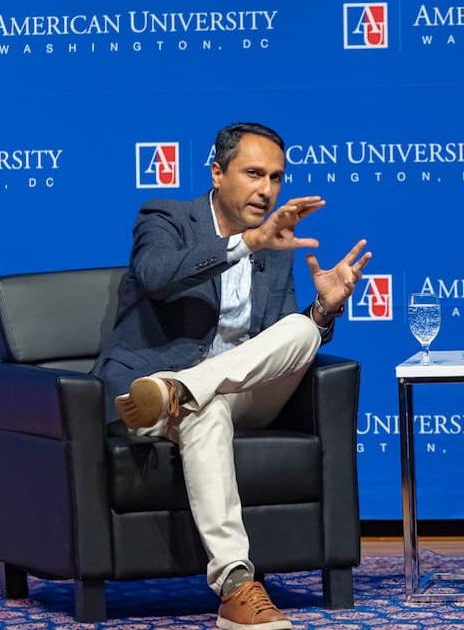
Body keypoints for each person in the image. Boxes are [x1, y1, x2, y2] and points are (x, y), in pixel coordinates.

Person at [91, 122, 371, 630]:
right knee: (208, 408)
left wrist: (324, 310)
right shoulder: (165, 218)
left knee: (300, 331)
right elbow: (158, 277)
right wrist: (244, 243)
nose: (267, 190)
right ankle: (237, 585)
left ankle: (184, 386)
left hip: (236, 394)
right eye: (253, 174)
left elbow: (277, 347)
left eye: (277, 178)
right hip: (149, 398)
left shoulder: (279, 250)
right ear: (217, 174)